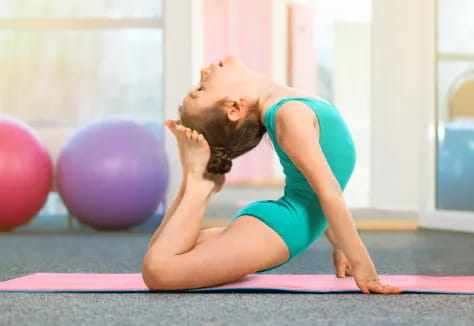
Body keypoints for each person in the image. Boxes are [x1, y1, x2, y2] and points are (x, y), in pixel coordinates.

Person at [142, 55, 402, 294]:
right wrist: (363, 266)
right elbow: (328, 193)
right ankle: (197, 182)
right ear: (234, 108)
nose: (203, 71)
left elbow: (314, 190)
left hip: (277, 223)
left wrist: (340, 244)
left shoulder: (288, 106)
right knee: (159, 270)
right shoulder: (289, 115)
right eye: (201, 88)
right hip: (282, 229)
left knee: (162, 255)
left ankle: (197, 177)